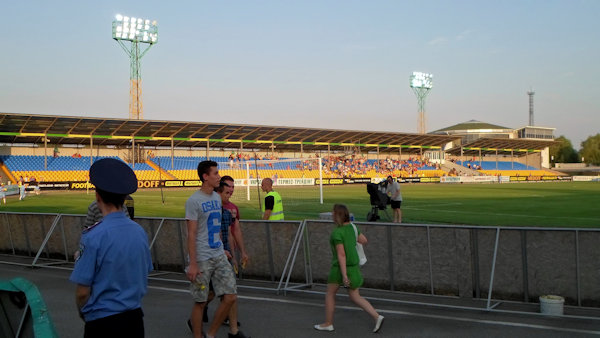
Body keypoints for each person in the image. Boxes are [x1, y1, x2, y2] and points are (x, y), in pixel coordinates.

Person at [69, 158, 153, 338]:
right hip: (135, 320)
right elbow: (144, 271)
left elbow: (82, 292)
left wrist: (83, 313)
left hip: (103, 321)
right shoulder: (139, 232)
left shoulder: (92, 236)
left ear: (97, 195)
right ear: (124, 197)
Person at [185, 160, 238, 338]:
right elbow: (191, 234)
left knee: (230, 296)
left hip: (218, 253)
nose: (219, 176)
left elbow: (214, 229)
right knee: (200, 302)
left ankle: (211, 333)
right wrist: (192, 263)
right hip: (201, 258)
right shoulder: (193, 201)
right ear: (205, 177)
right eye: (215, 173)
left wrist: (221, 248)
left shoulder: (216, 197)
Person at [314, 204, 384, 333]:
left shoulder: (337, 232)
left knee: (330, 294)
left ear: (337, 215)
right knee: (355, 296)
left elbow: (341, 254)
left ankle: (328, 323)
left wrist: (344, 275)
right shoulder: (353, 227)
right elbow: (363, 240)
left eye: (333, 213)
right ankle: (376, 316)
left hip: (339, 269)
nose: (331, 215)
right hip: (354, 267)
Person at [201, 180, 249, 338]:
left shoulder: (230, 211)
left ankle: (233, 330)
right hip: (213, 256)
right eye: (227, 190)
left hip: (225, 256)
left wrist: (238, 254)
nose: (231, 192)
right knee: (211, 294)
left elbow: (232, 233)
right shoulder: (209, 209)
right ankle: (197, 314)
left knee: (230, 292)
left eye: (232, 189)